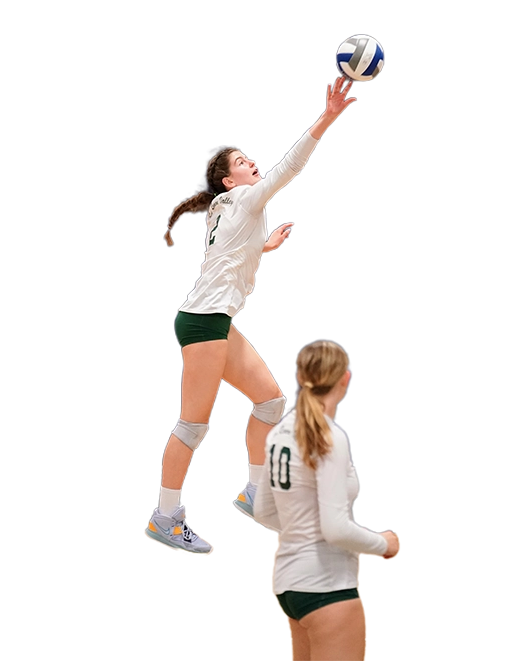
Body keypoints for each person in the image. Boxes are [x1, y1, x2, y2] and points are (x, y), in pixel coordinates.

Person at [145, 77, 358, 556]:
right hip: (204, 322)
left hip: (212, 320)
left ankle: (257, 496)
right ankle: (166, 516)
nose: (251, 164)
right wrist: (326, 117)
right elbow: (289, 167)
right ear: (229, 180)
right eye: (242, 162)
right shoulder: (244, 197)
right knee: (192, 426)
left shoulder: (230, 206)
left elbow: (225, 256)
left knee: (268, 400)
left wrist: (263, 246)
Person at [254, 339, 400, 661]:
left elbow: (262, 508)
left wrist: (306, 529)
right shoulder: (328, 436)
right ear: (345, 379)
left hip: (291, 587)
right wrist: (383, 544)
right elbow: (335, 529)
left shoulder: (280, 432)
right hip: (327, 586)